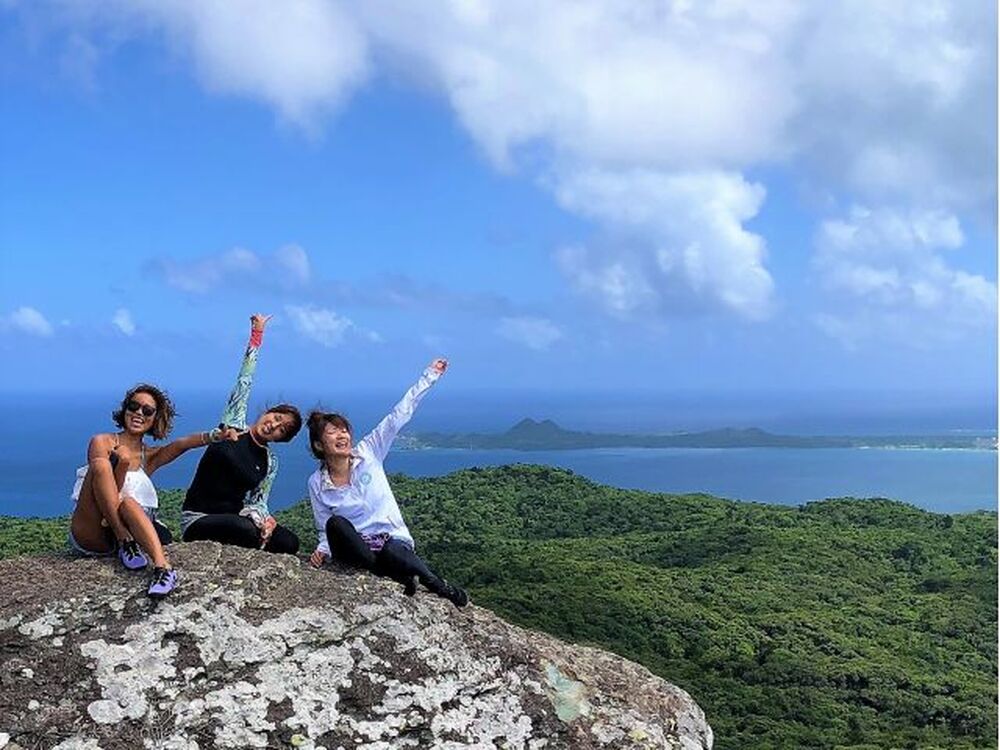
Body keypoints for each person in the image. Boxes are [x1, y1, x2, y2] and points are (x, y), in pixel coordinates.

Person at [307, 358, 468, 607]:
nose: (342, 435)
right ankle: (398, 575)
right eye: (333, 432)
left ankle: (437, 584)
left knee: (392, 549)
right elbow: (323, 526)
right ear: (319, 445)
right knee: (336, 524)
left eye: (344, 430)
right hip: (357, 549)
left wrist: (429, 376)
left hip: (391, 541)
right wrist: (323, 550)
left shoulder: (369, 452)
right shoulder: (317, 483)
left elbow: (398, 416)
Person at [69, 384, 224, 597]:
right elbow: (103, 483)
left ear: (155, 418)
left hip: (130, 522)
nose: (139, 413)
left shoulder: (149, 457)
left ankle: (163, 568)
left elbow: (182, 444)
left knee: (129, 503)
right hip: (94, 526)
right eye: (134, 406)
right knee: (102, 465)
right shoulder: (102, 441)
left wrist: (216, 435)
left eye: (148, 410)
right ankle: (124, 539)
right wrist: (122, 463)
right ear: (125, 409)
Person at [181, 314, 302, 553]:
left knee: (290, 542)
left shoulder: (270, 461)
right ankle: (255, 540)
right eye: (277, 418)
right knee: (245, 530)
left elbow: (259, 501)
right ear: (268, 411)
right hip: (200, 518)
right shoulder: (233, 426)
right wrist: (257, 336)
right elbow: (244, 380)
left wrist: (266, 521)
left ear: (281, 439)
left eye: (282, 430)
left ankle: (258, 538)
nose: (274, 426)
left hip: (237, 518)